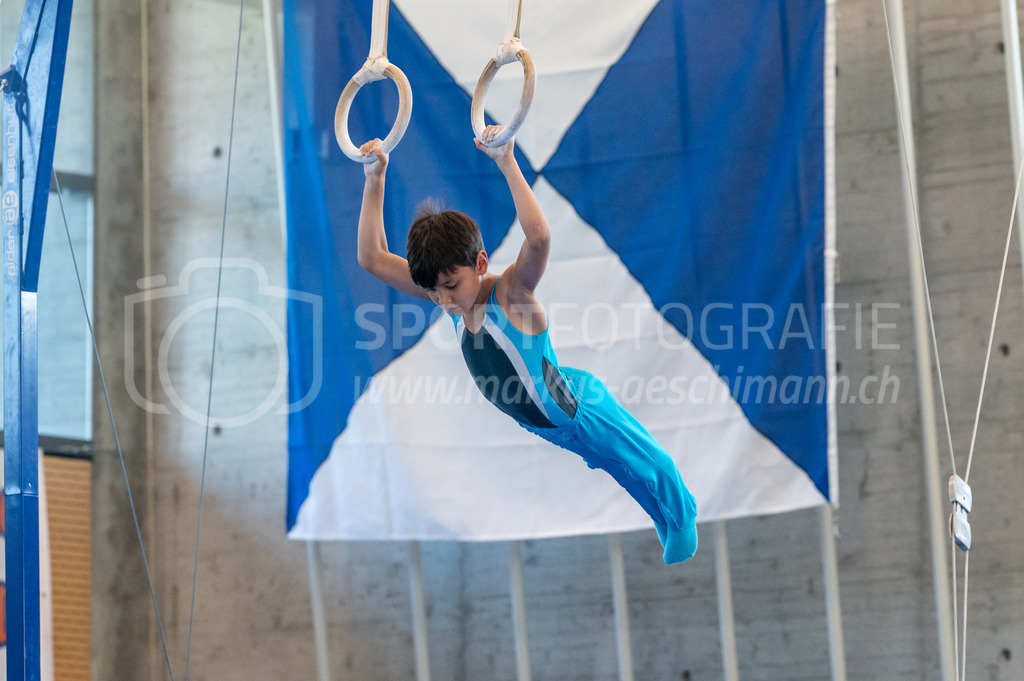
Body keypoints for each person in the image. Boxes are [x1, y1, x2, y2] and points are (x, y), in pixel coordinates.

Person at [355, 127, 698, 564]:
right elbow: (372, 258)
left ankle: (683, 514)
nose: (441, 300)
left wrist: (506, 161)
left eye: (448, 286)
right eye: (434, 291)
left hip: (576, 404)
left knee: (638, 456)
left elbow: (538, 239)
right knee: (620, 467)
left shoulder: (511, 294)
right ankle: (665, 520)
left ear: (480, 264)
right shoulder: (453, 298)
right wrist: (374, 179)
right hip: (549, 424)